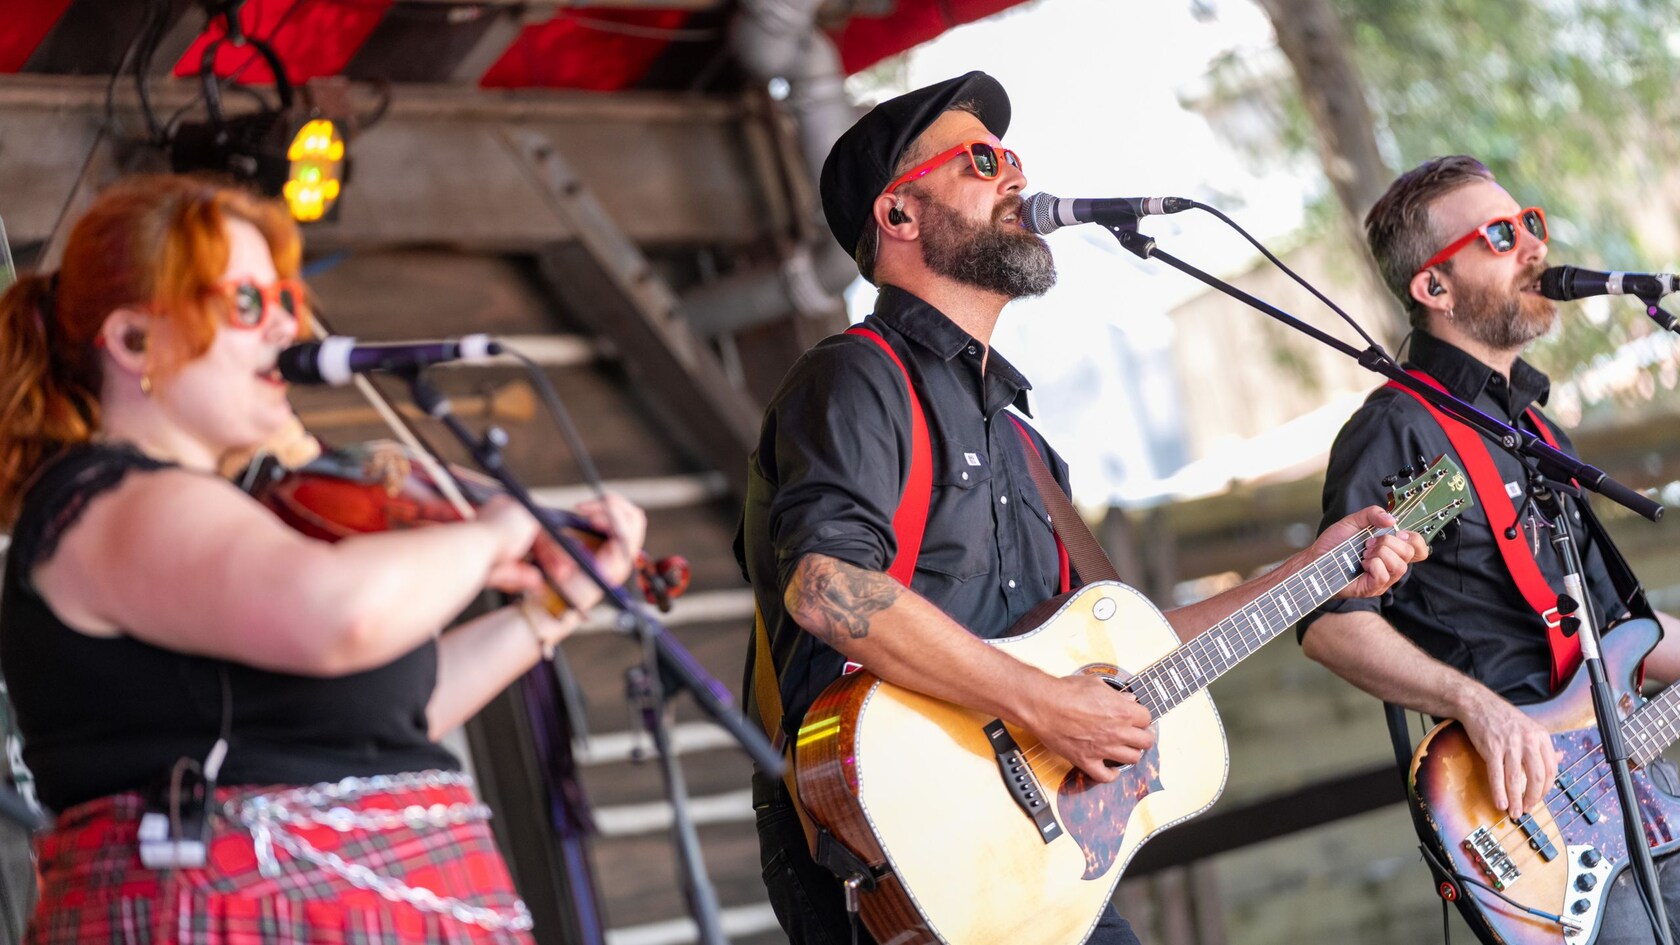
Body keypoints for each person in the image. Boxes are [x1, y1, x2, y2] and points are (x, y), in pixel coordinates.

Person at [736, 70, 1428, 945]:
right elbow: (826, 586)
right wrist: (1045, 703)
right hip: (893, 851)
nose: (1016, 176)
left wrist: (1313, 569)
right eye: (981, 161)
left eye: (1014, 157)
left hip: (1030, 866)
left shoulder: (1022, 441)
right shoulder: (856, 376)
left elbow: (1131, 652)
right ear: (899, 213)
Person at [0, 174, 646, 943]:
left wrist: (550, 610)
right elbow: (343, 614)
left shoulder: (215, 512)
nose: (286, 327)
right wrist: (493, 535)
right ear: (135, 338)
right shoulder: (115, 501)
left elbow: (386, 712)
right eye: (247, 301)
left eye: (286, 300)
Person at [1300, 154, 1680, 942]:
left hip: (1635, 793)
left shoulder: (1537, 432)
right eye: (1500, 236)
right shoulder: (1399, 432)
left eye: (1529, 223)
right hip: (1530, 825)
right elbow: (1330, 620)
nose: (1535, 246)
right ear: (1434, 288)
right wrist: (1477, 705)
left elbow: (1617, 630)